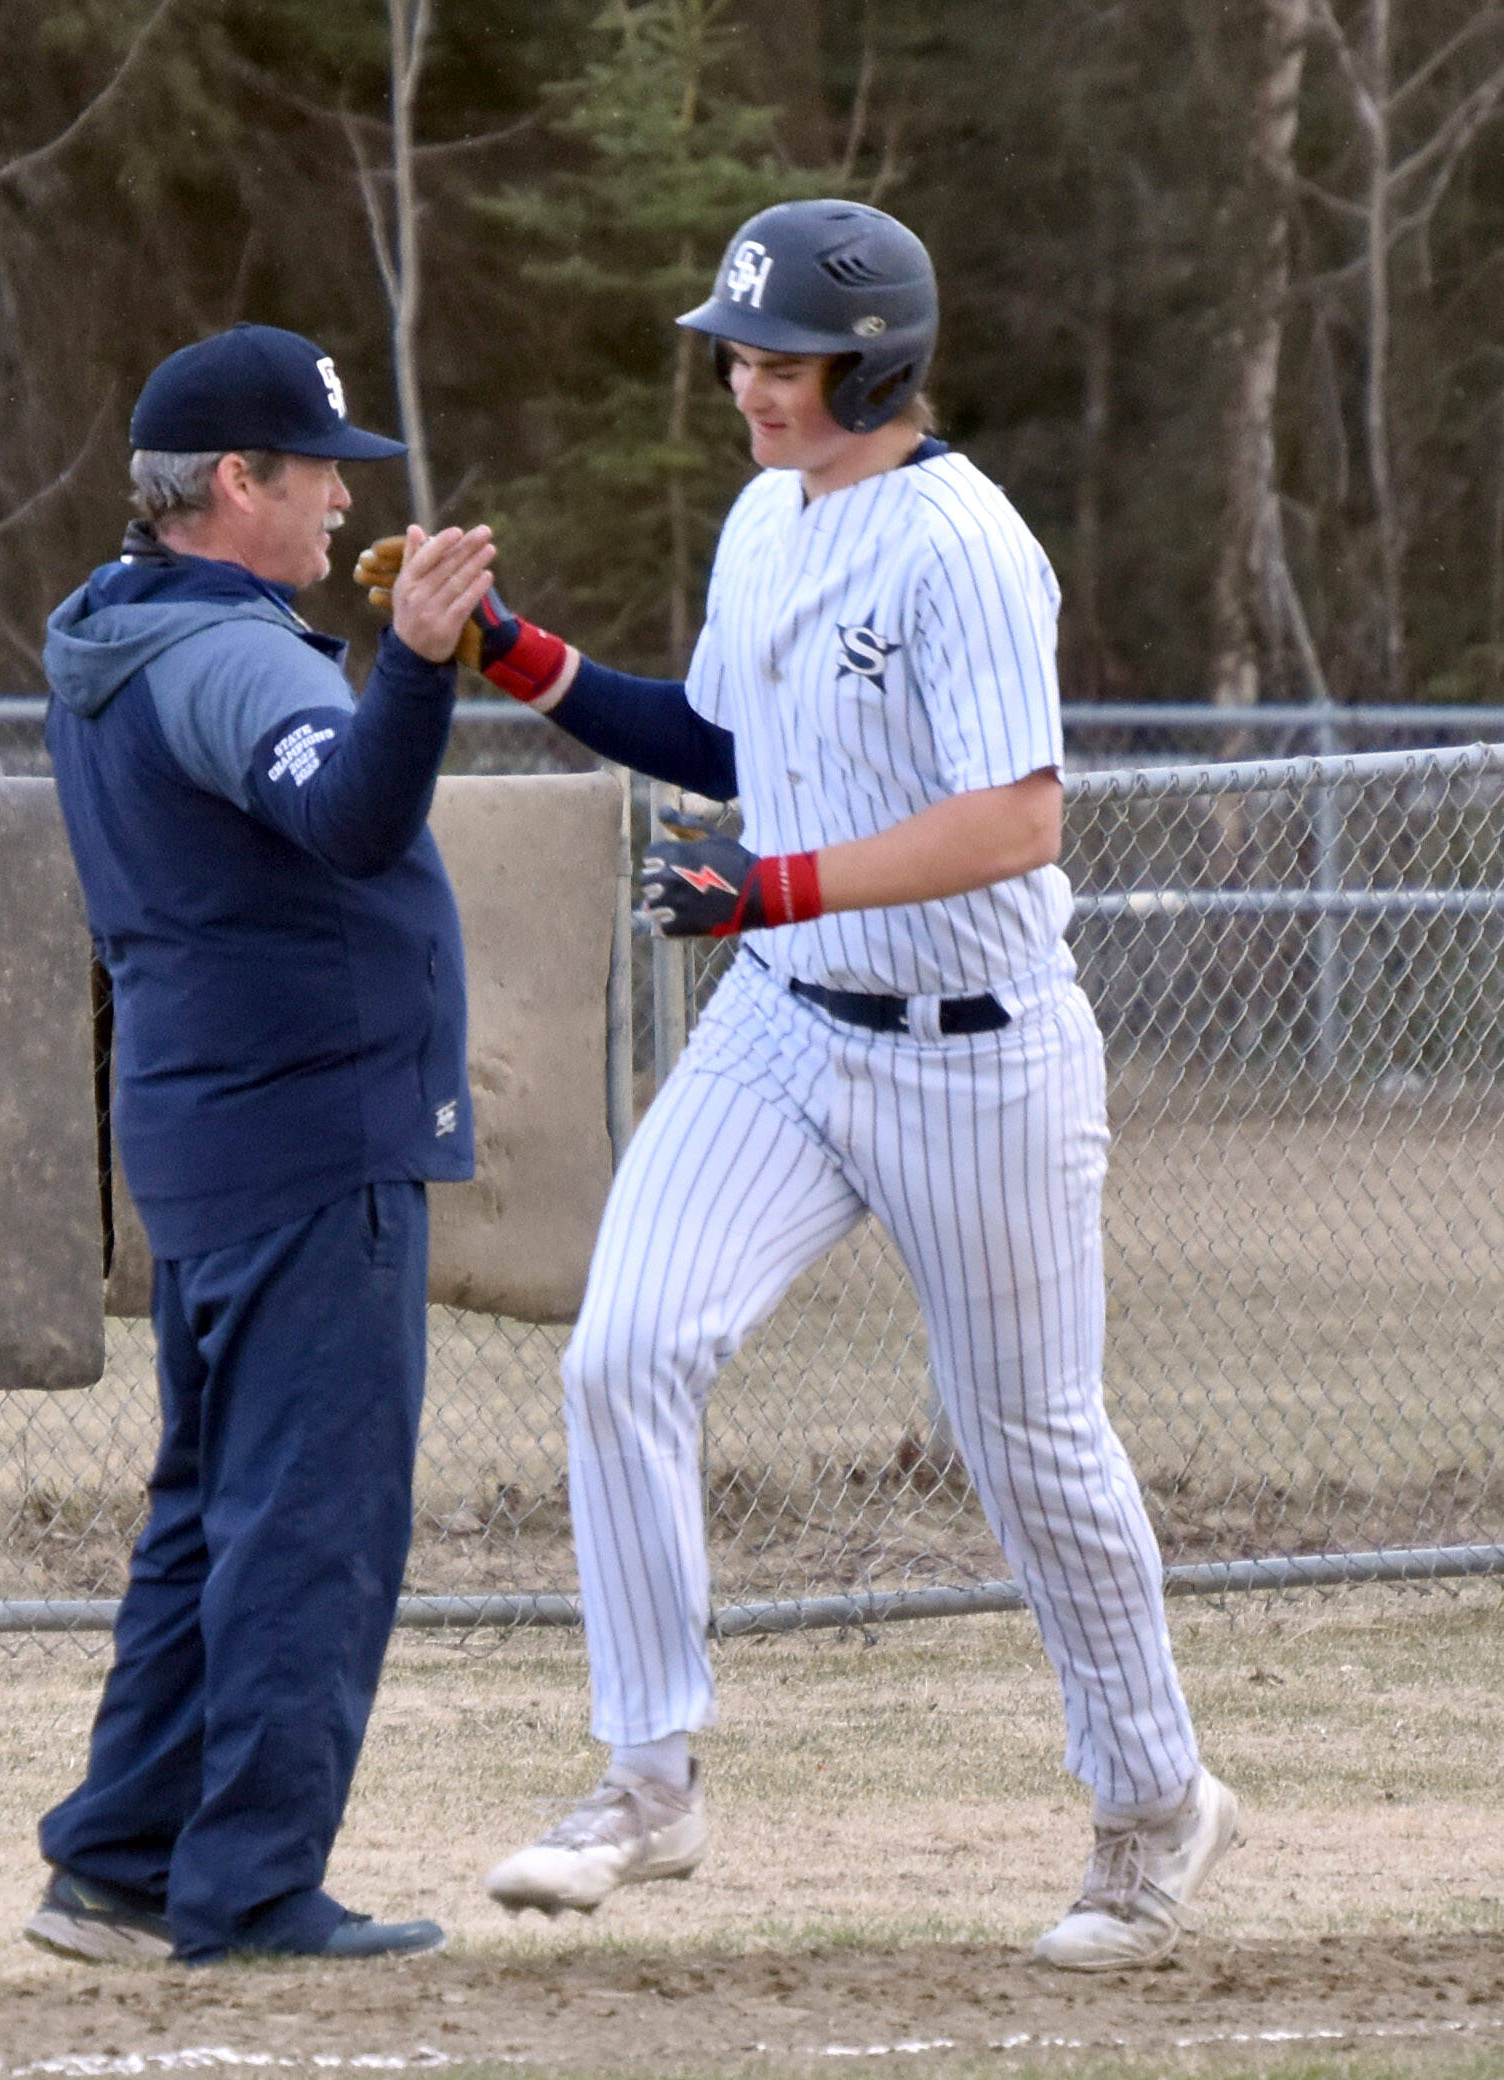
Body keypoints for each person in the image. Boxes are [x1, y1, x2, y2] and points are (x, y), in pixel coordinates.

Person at [428, 201, 1238, 1972]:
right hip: (790, 1023)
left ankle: (1152, 1804)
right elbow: (726, 744)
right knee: (623, 1348)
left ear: (870, 362)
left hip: (983, 1050)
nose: (742, 385)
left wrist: (769, 880)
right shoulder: (764, 518)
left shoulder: (963, 547)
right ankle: (646, 1775)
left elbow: (1015, 818)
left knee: (1032, 1445)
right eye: (734, 352)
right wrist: (511, 648)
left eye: (776, 359)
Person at [27, 323, 495, 1965]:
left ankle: (119, 1862)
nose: (331, 514)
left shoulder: (113, 628)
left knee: (212, 1514)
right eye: (315, 478)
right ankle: (251, 1888)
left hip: (210, 1126)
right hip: (310, 1135)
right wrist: (420, 660)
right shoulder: (234, 653)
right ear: (237, 482)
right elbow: (353, 814)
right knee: (310, 1523)